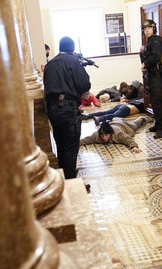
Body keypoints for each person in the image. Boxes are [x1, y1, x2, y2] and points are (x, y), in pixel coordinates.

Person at [43, 36, 91, 180]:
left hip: (52, 110)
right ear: (72, 48)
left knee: (60, 143)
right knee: (71, 146)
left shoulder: (50, 64)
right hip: (68, 110)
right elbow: (84, 84)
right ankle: (71, 182)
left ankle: (64, 177)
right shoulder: (73, 61)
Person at [139, 19, 162, 139]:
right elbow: (148, 56)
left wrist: (145, 63)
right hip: (152, 75)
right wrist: (142, 53)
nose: (147, 30)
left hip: (157, 75)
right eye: (145, 29)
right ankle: (158, 124)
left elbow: (156, 57)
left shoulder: (156, 40)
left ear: (153, 28)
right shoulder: (150, 41)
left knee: (157, 102)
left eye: (149, 28)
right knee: (153, 100)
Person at [80, 116, 150, 153]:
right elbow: (87, 139)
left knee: (135, 124)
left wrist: (134, 146)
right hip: (113, 123)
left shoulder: (118, 134)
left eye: (106, 135)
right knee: (116, 119)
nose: (104, 137)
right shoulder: (97, 135)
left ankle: (143, 118)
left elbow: (127, 139)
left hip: (124, 126)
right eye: (102, 135)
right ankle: (116, 118)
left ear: (110, 134)